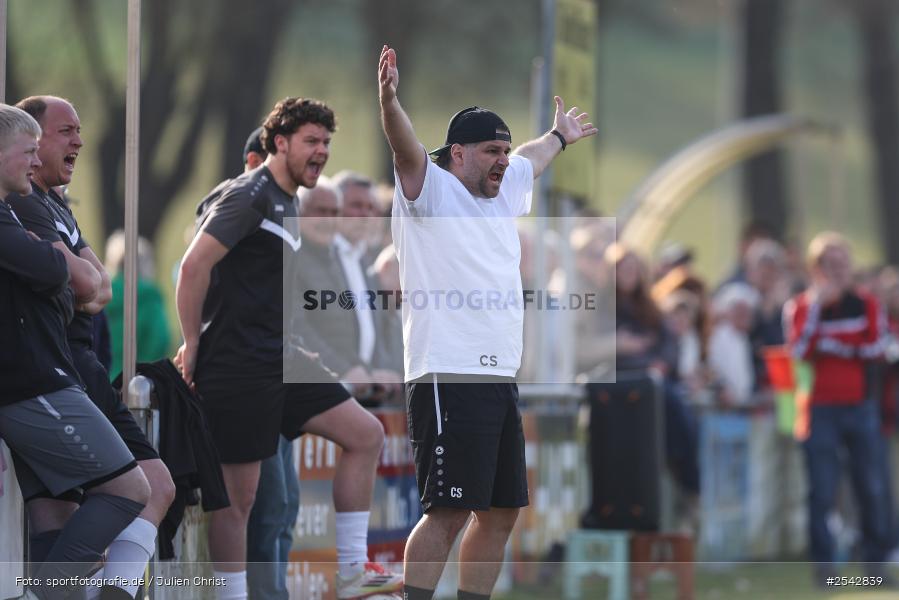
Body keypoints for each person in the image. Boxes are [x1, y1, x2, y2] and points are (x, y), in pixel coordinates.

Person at [378, 44, 597, 600]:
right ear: (457, 154)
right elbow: (405, 150)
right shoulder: (430, 190)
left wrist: (559, 138)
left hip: (498, 377)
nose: (503, 160)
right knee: (447, 511)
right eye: (490, 151)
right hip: (445, 372)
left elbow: (530, 158)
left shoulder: (503, 194)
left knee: (500, 514)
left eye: (503, 150)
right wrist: (389, 101)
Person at [175, 98, 402, 600]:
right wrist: (193, 343)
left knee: (365, 434)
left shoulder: (290, 199)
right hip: (237, 364)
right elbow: (193, 268)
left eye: (326, 143)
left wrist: (297, 344)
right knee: (241, 502)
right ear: (279, 143)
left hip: (283, 359)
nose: (321, 152)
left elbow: (271, 290)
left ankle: (351, 570)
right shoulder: (250, 194)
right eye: (310, 142)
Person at [8, 95, 174, 599]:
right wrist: (77, 273)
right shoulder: (21, 204)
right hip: (54, 372)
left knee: (60, 512)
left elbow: (100, 287)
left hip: (61, 368)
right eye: (65, 132)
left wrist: (82, 275)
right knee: (142, 488)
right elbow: (82, 283)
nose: (77, 141)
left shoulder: (52, 204)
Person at [783, 231, 892, 583]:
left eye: (844, 264)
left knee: (870, 488)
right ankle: (825, 570)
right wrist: (818, 309)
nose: (840, 272)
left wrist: (833, 346)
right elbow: (799, 351)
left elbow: (877, 349)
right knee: (822, 490)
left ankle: (875, 569)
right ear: (817, 269)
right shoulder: (802, 306)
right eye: (831, 265)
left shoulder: (868, 304)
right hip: (819, 410)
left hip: (861, 408)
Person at [238, 127, 301, 600]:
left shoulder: (284, 214)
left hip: (280, 376)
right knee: (267, 504)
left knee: (285, 503)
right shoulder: (239, 210)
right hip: (246, 379)